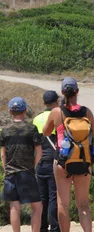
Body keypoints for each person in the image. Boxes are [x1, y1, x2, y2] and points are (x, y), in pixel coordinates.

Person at [43, 78, 94, 232]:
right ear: (77, 92)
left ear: (62, 93)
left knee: (63, 203)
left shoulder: (56, 112)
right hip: (84, 159)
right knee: (84, 204)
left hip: (62, 160)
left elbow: (46, 132)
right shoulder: (86, 111)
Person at [0, 96, 43, 232]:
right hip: (27, 172)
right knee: (36, 206)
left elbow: (3, 154)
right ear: (25, 111)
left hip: (11, 172)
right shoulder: (31, 129)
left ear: (10, 112)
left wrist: (6, 169)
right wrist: (33, 166)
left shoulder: (5, 131)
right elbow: (39, 151)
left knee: (14, 206)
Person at [33, 90, 61, 232]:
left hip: (39, 162)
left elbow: (35, 143)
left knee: (42, 197)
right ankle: (55, 228)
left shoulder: (36, 119)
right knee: (53, 196)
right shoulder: (58, 116)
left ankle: (42, 227)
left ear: (44, 103)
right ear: (57, 101)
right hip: (53, 161)